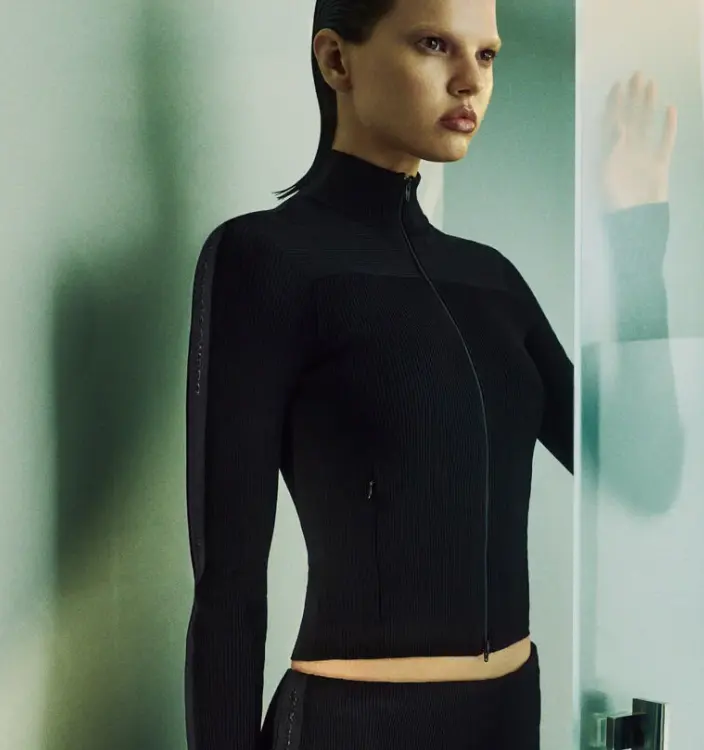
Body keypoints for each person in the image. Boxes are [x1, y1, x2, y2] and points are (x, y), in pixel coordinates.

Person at [183, 0, 677, 748]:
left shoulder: (492, 279)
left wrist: (638, 233)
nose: (469, 80)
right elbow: (229, 585)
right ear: (336, 59)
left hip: (511, 716)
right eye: (434, 44)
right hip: (353, 727)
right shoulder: (265, 260)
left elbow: (644, 475)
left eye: (487, 55)